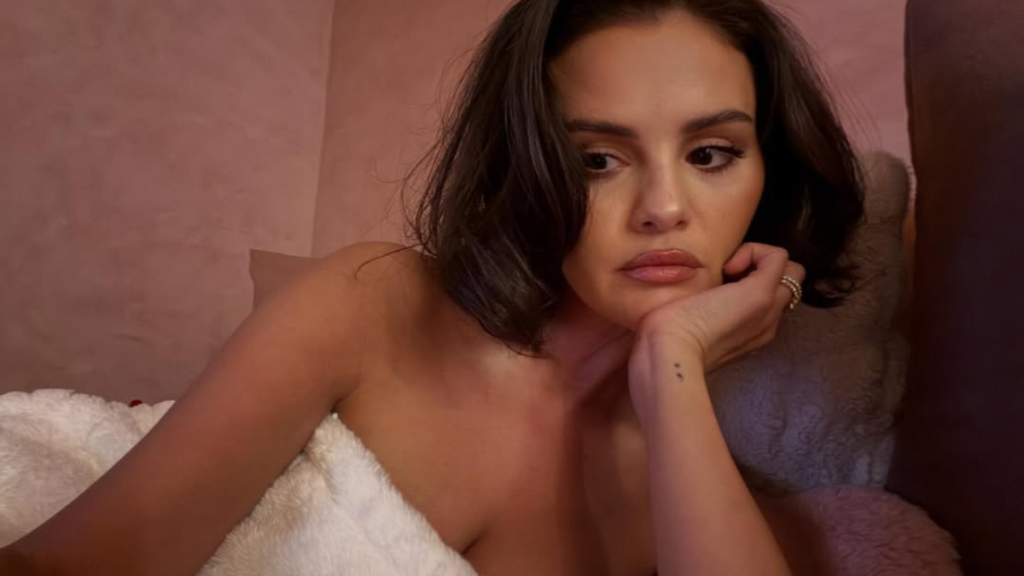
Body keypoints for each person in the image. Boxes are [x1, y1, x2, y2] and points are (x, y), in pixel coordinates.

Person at [0, 0, 865, 574]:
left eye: (711, 154)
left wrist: (672, 368)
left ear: (769, 176)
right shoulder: (374, 301)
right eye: (596, 160)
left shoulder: (691, 489)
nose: (664, 208)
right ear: (526, 169)